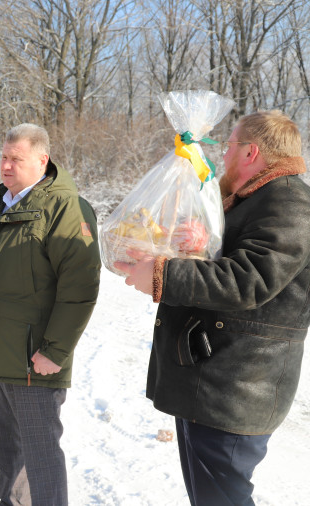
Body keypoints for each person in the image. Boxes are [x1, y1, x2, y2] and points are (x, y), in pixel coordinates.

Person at [117, 110, 310, 506]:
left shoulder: (289, 202)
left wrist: (162, 275)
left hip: (236, 390)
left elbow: (247, 280)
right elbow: (228, 258)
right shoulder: (254, 199)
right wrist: (194, 244)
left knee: (223, 499)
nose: (222, 155)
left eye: (229, 146)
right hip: (212, 382)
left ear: (252, 152)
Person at [0, 123, 102, 506]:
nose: (5, 166)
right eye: (3, 157)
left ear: (42, 159)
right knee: (7, 452)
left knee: (41, 456)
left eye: (15, 158)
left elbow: (80, 286)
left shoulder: (66, 207)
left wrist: (55, 349)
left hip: (33, 357)